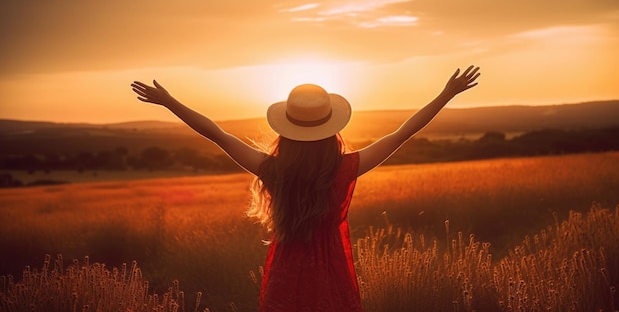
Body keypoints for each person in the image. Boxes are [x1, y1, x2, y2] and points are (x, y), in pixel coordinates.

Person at [130, 65, 480, 311]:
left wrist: (169, 102)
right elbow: (403, 133)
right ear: (331, 128)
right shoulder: (345, 168)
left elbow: (217, 134)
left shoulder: (272, 170)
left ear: (287, 129)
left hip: (286, 268)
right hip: (332, 270)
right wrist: (446, 94)